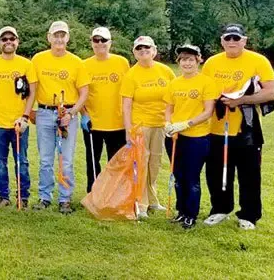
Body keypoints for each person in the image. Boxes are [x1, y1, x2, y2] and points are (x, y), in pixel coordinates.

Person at [201, 24, 274, 230]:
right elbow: (204, 90)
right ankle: (220, 209)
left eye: (236, 38)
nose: (232, 42)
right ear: (222, 41)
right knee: (217, 172)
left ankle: (249, 215)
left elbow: (271, 92)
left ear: (244, 40)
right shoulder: (212, 62)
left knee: (249, 174)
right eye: (228, 38)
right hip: (216, 127)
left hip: (247, 127)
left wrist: (241, 99)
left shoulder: (258, 61)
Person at [31, 21, 90, 214]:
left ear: (68, 37)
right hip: (45, 113)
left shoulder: (76, 62)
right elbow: (31, 88)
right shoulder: (38, 59)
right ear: (48, 37)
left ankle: (65, 198)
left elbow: (84, 93)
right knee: (46, 159)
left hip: (68, 115)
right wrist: (29, 111)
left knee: (66, 159)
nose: (59, 39)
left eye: (62, 35)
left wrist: (72, 114)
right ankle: (44, 196)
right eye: (55, 35)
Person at [0, 26, 36, 208]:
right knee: (0, 162)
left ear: (17, 42)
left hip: (19, 123)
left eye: (12, 38)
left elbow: (32, 93)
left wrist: (25, 117)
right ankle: (3, 197)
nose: (8, 41)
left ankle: (23, 197)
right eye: (4, 39)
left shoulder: (26, 64)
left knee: (22, 161)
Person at [120, 36, 175, 218]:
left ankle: (153, 200)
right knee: (141, 164)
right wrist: (129, 130)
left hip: (161, 125)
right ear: (134, 53)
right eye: (139, 49)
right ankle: (140, 203)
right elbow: (126, 105)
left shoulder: (165, 71)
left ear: (154, 50)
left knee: (155, 164)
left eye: (147, 48)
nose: (144, 51)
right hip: (141, 126)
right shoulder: (131, 75)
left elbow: (174, 98)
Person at [162, 44, 217, 229]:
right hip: (175, 136)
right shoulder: (174, 83)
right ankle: (181, 211)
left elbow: (208, 111)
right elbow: (168, 108)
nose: (187, 63)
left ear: (198, 60)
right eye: (183, 59)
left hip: (197, 137)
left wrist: (187, 123)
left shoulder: (206, 82)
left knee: (192, 178)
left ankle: (191, 214)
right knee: (178, 176)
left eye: (191, 59)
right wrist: (168, 124)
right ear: (179, 62)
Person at [81, 27, 130, 193]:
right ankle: (93, 193)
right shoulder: (84, 65)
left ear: (110, 43)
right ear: (91, 43)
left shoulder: (122, 62)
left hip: (117, 122)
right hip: (93, 123)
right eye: (96, 40)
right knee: (92, 160)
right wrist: (84, 115)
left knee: (116, 162)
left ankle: (115, 194)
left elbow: (128, 92)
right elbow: (79, 93)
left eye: (103, 40)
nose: (100, 43)